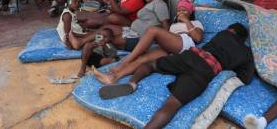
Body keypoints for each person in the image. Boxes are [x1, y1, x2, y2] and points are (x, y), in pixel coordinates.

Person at [98, 23, 255, 129]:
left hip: (191, 56)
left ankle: (132, 83)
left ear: (230, 30)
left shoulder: (222, 34)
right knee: (172, 104)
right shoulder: (247, 53)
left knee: (151, 65)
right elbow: (245, 78)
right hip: (206, 71)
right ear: (242, 38)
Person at [92, 0, 205, 85]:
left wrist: (186, 21)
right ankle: (113, 77)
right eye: (179, 10)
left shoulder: (196, 23)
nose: (181, 12)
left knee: (152, 30)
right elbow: (167, 37)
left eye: (184, 10)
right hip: (171, 48)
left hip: (185, 44)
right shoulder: (174, 25)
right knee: (141, 59)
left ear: (190, 12)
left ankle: (125, 62)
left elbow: (198, 38)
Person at [69, 0, 170, 51]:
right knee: (106, 29)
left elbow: (165, 25)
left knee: (109, 38)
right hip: (132, 31)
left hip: (140, 37)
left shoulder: (159, 3)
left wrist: (162, 45)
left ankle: (90, 45)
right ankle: (82, 41)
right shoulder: (150, 4)